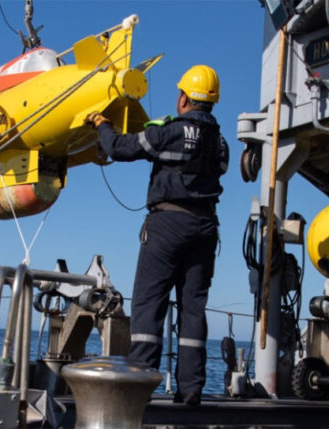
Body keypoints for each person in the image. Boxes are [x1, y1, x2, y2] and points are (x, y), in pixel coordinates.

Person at [86, 65, 229, 405]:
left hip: (168, 226)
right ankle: (191, 391)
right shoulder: (220, 142)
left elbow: (120, 148)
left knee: (151, 305)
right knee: (193, 309)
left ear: (183, 98)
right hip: (205, 228)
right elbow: (216, 168)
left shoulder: (170, 132)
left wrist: (100, 123)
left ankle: (139, 389)